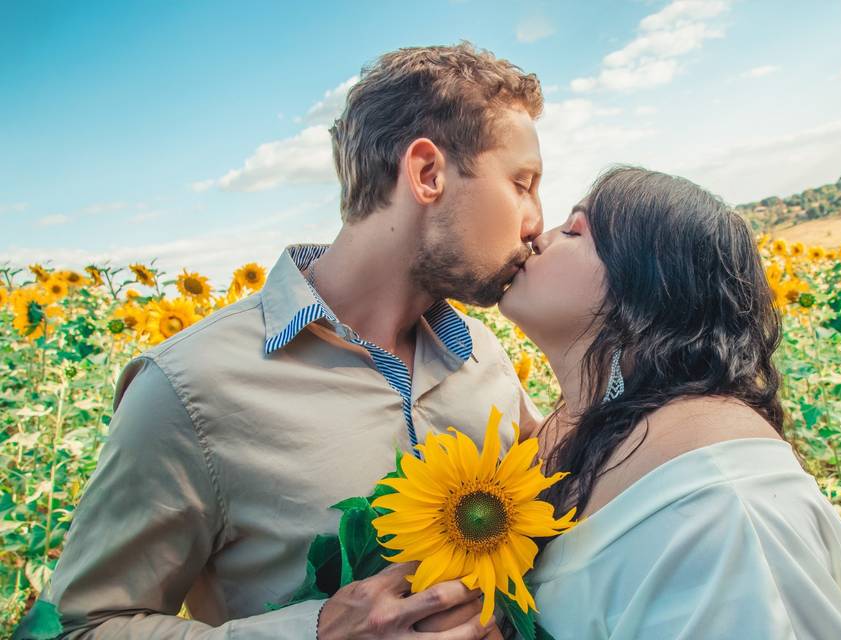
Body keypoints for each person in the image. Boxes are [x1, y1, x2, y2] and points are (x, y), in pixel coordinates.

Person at [16, 42, 545, 640]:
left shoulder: (485, 356)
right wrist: (313, 633)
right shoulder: (191, 387)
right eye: (522, 183)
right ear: (427, 174)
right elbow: (70, 628)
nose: (535, 220)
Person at [498, 166, 841, 639]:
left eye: (574, 230)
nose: (538, 236)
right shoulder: (558, 435)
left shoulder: (722, 497)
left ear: (647, 284)